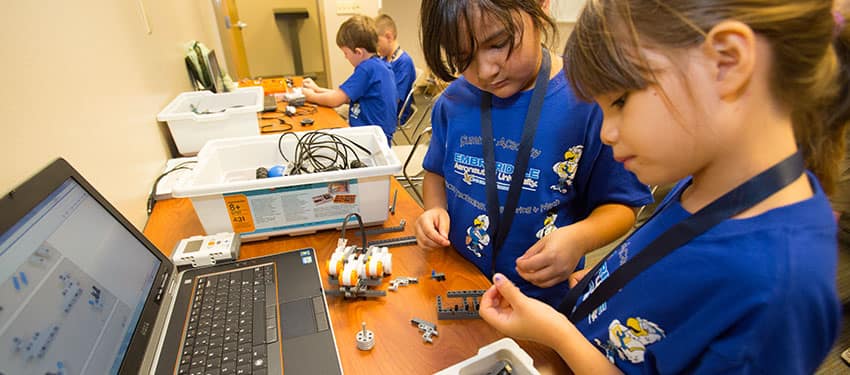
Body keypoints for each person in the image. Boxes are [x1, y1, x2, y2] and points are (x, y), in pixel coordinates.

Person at [478, 0, 849, 373]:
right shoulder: (706, 181)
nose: (606, 133)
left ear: (727, 62)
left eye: (621, 102)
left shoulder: (782, 290)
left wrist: (558, 334)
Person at [415, 0, 653, 307]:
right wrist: (434, 209)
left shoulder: (589, 102)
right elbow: (435, 171)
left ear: (541, 7)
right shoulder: (451, 102)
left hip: (541, 303)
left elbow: (622, 205)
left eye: (498, 44)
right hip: (460, 282)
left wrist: (580, 238)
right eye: (463, 57)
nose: (486, 71)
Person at [301, 15, 398, 144]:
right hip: (379, 137)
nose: (346, 58)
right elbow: (345, 96)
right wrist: (318, 90)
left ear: (358, 52)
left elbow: (336, 100)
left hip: (369, 139)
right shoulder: (380, 66)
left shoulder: (366, 69)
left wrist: (310, 96)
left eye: (346, 53)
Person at [375, 14, 418, 125]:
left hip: (392, 114)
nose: (375, 47)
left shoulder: (404, 63)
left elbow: (394, 100)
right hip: (380, 108)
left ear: (389, 37)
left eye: (377, 42)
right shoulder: (384, 59)